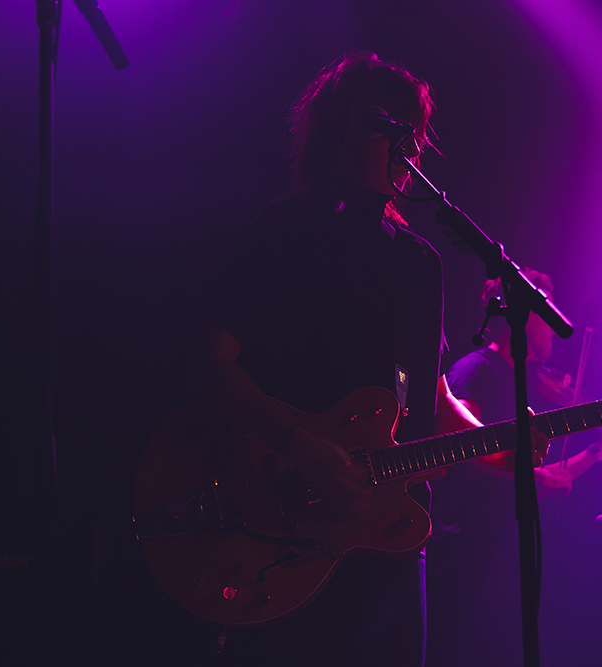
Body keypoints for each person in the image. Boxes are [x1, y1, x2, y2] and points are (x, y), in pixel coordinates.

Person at [187, 52, 546, 667]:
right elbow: (209, 360)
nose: (403, 142)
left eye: (412, 128)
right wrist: (301, 442)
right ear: (338, 132)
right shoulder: (284, 231)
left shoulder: (419, 261)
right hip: (280, 525)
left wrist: (498, 446)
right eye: (385, 123)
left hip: (387, 539)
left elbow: (428, 399)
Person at [425, 269, 602, 666]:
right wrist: (536, 474)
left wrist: (601, 448)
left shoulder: (522, 381)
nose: (554, 327)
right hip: (459, 548)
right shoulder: (477, 369)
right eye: (546, 312)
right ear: (522, 314)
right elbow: (464, 451)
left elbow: (546, 476)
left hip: (495, 551)